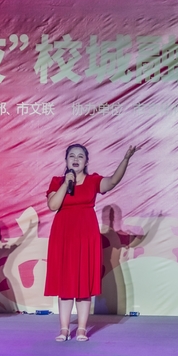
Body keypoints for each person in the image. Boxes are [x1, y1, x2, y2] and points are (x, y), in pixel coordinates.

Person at [45, 143, 139, 342]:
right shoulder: (57, 182)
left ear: (86, 161)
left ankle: (81, 329)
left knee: (83, 282)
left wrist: (126, 159)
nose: (76, 159)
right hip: (63, 235)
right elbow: (53, 205)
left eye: (80, 156)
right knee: (65, 283)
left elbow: (112, 181)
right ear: (66, 160)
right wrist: (65, 183)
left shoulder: (93, 180)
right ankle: (64, 329)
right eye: (72, 156)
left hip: (86, 235)